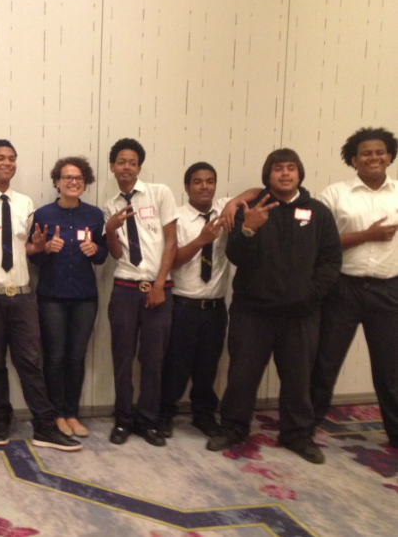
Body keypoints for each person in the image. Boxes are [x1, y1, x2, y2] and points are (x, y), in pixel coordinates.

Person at [207, 148, 342, 464]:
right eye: (278, 168)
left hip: (301, 314)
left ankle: (297, 434)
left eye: (291, 168)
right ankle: (233, 427)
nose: (285, 173)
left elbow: (331, 260)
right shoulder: (250, 209)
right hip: (252, 312)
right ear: (268, 175)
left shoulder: (318, 213)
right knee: (242, 376)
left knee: (298, 379)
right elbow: (235, 256)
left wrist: (312, 294)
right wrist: (249, 228)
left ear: (299, 173)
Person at [0, 139, 82, 451]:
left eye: (12, 158)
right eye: (0, 158)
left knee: (30, 362)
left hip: (23, 296)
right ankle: (1, 417)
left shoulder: (25, 203)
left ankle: (44, 425)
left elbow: (24, 247)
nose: (7, 163)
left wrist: (38, 247)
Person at [311, 127, 398, 449]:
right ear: (353, 160)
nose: (373, 157)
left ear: (390, 156)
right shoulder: (335, 194)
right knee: (325, 362)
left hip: (388, 289)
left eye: (380, 152)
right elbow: (317, 242)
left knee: (390, 370)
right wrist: (367, 235)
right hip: (342, 288)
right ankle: (304, 429)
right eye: (365, 153)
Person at [158, 163, 259, 438]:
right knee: (176, 365)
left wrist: (234, 203)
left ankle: (203, 413)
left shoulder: (225, 210)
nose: (205, 186)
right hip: (183, 305)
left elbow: (259, 192)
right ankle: (165, 413)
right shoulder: (176, 217)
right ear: (186, 186)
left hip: (215, 307)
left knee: (208, 366)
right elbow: (172, 261)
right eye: (197, 181)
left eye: (210, 181)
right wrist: (201, 240)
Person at [103, 138, 178, 447]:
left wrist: (159, 284)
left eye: (132, 163)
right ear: (112, 167)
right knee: (122, 358)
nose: (127, 167)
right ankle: (123, 419)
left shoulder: (160, 193)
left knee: (153, 360)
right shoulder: (110, 206)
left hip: (158, 288)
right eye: (121, 162)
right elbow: (116, 254)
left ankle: (147, 420)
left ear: (139, 167)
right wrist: (110, 230)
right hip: (124, 288)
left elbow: (172, 242)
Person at [27, 156, 108, 438]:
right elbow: (33, 257)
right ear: (57, 182)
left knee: (76, 357)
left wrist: (95, 251)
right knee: (55, 357)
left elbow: (103, 255)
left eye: (79, 178)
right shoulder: (43, 215)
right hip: (51, 297)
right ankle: (56, 414)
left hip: (85, 297)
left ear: (85, 183)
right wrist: (46, 249)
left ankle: (72, 413)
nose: (73, 182)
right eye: (67, 177)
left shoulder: (95, 215)